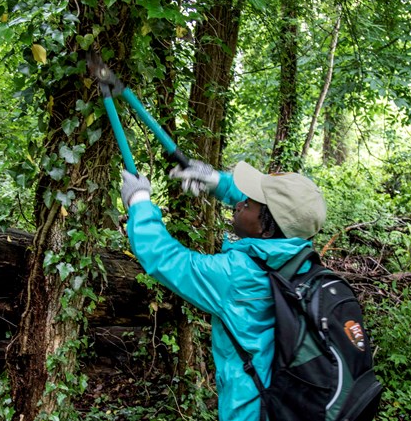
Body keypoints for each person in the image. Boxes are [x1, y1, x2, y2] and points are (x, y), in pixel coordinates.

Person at [120, 159, 326, 421]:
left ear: (266, 228)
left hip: (252, 410)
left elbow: (166, 259)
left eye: (248, 203)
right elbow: (277, 211)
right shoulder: (300, 256)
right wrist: (217, 182)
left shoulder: (237, 275)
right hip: (291, 403)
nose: (239, 204)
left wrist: (139, 202)